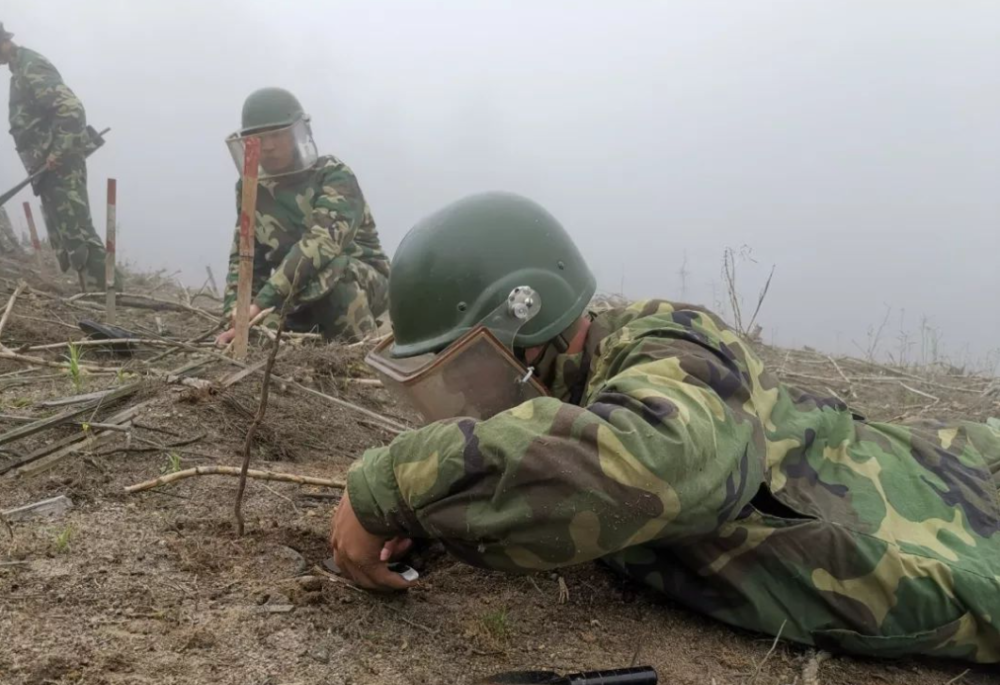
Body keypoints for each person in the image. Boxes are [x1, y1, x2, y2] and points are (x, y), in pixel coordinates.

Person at [329, 191, 1000, 664]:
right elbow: (558, 454)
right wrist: (444, 518)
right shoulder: (579, 389)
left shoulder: (665, 345)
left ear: (529, 328)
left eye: (468, 367)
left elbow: (650, 460)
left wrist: (402, 482)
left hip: (963, 505)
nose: (463, 398)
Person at [216, 88, 390, 345]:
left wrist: (261, 302)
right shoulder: (251, 189)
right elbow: (244, 258)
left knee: (334, 273)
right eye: (260, 138)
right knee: (260, 338)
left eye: (277, 134)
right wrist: (236, 315)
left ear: (298, 133)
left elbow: (320, 246)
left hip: (358, 280)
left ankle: (365, 354)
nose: (270, 146)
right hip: (294, 295)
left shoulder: (334, 175)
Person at [0, 23, 110, 290]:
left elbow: (71, 109)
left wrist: (58, 152)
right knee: (65, 234)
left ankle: (107, 297)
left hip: (60, 166)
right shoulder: (19, 71)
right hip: (48, 168)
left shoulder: (31, 67)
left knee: (79, 232)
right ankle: (90, 293)